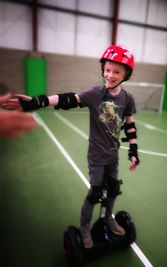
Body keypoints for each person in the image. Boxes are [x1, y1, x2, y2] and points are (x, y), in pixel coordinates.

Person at [6, 44, 140, 248]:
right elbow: (68, 99)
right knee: (96, 192)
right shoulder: (96, 93)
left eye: (116, 71)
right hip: (96, 154)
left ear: (126, 74)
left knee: (112, 189)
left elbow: (129, 124)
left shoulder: (127, 98)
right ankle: (85, 225)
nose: (110, 75)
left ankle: (107, 218)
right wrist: (37, 101)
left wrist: (133, 150)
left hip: (113, 155)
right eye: (107, 70)